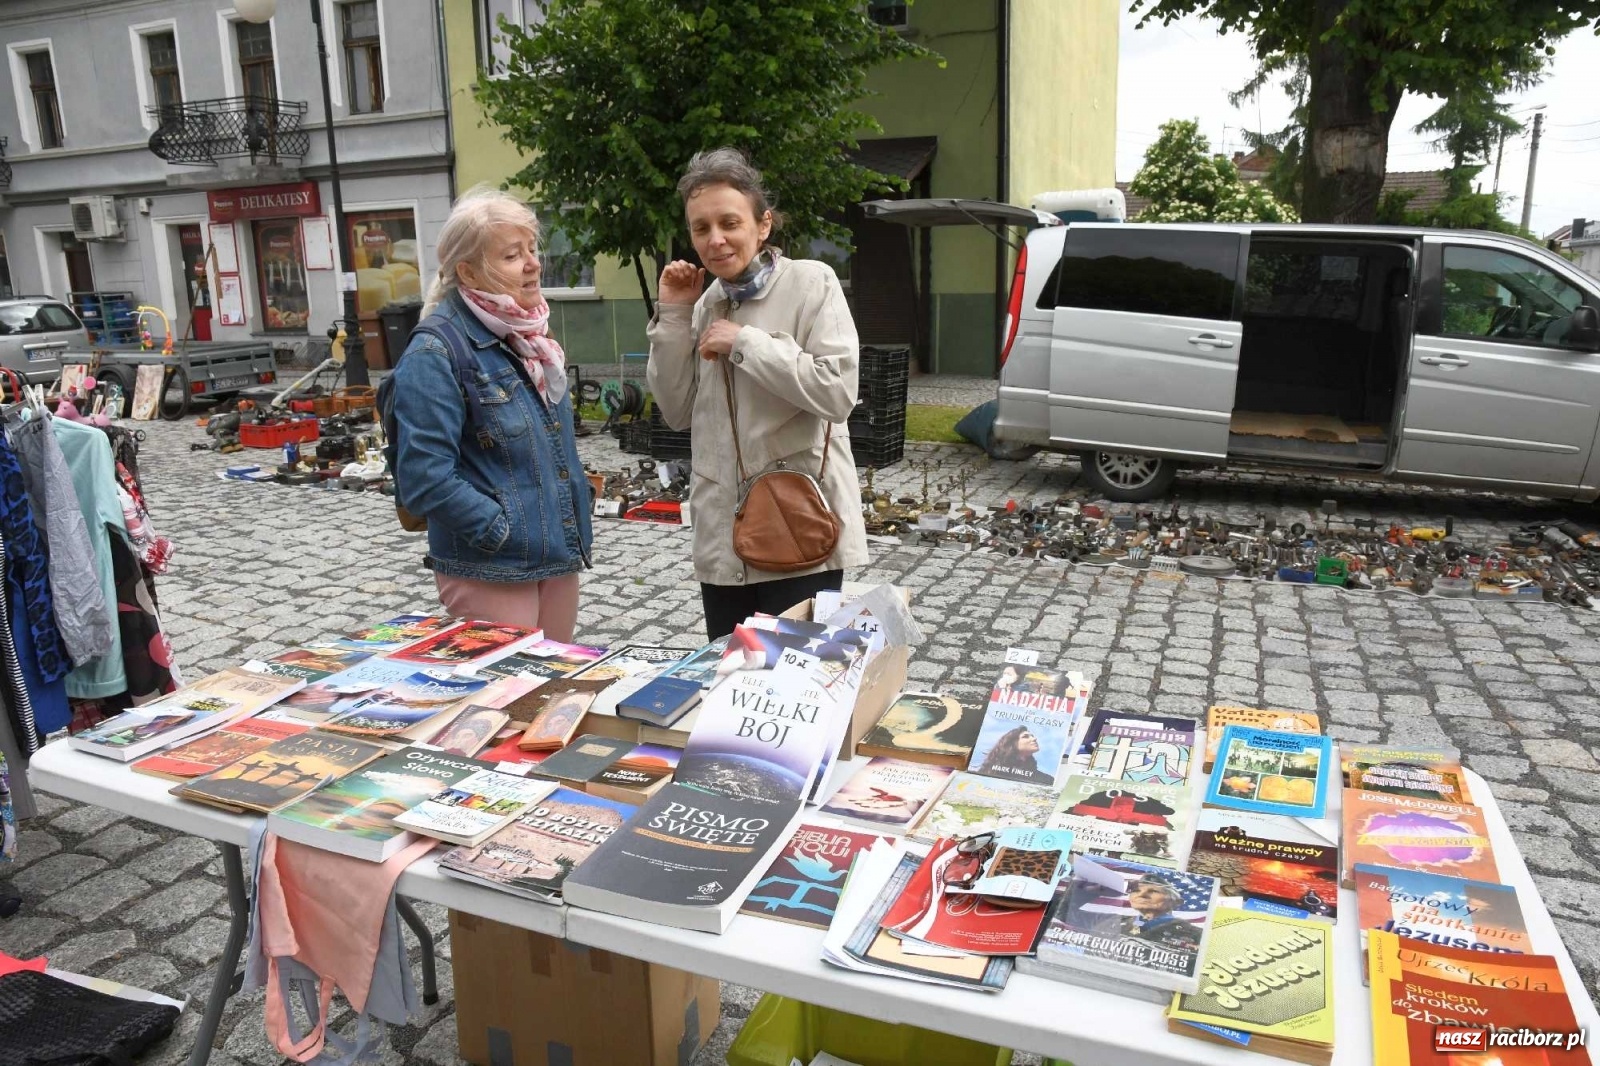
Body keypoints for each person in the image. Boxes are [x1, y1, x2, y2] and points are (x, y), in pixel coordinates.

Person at [647, 148, 868, 641]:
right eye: (701, 228)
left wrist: (745, 342)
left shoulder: (812, 283)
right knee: (730, 680)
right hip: (724, 534)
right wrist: (676, 315)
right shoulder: (706, 304)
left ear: (763, 225)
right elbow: (676, 410)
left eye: (729, 222)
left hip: (797, 524)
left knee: (796, 688)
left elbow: (836, 393)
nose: (715, 239)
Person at [388, 187, 591, 640]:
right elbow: (424, 478)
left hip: (556, 555)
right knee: (506, 702)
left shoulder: (530, 337)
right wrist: (503, 530)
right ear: (468, 271)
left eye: (533, 250)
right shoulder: (435, 351)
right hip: (491, 566)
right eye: (512, 255)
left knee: (552, 693)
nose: (534, 263)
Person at [1119, 874, 1201, 948]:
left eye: (1153, 891)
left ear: (1176, 901)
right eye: (1136, 890)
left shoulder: (1198, 934)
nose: (1141, 895)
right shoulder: (1114, 922)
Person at [976, 726, 1042, 778]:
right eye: (1025, 737)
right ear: (1012, 743)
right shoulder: (988, 772)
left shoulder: (1044, 778)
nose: (1034, 739)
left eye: (1032, 736)